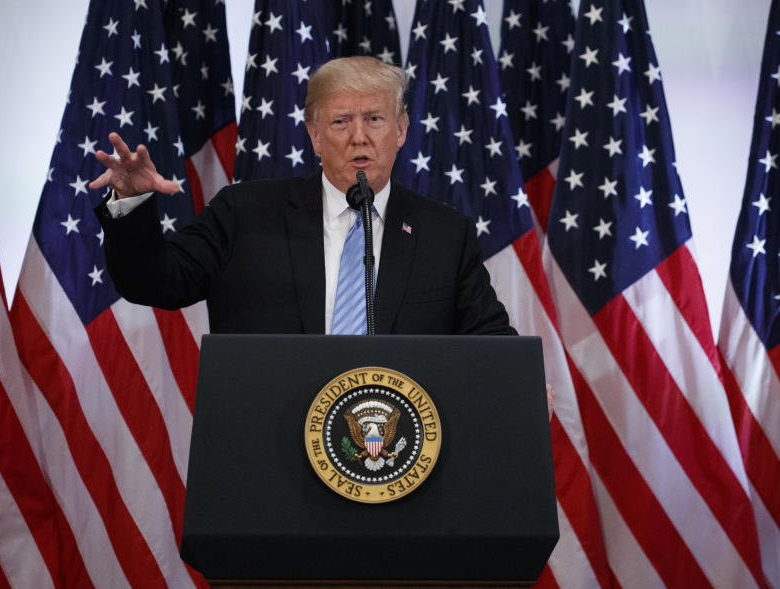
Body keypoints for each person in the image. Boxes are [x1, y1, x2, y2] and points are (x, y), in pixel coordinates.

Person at [91, 56, 553, 413]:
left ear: (401, 131)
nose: (358, 137)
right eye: (339, 122)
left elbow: (487, 336)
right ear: (314, 135)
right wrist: (131, 205)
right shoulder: (245, 212)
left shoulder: (443, 233)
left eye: (374, 119)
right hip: (268, 457)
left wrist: (520, 385)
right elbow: (155, 282)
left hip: (397, 467)